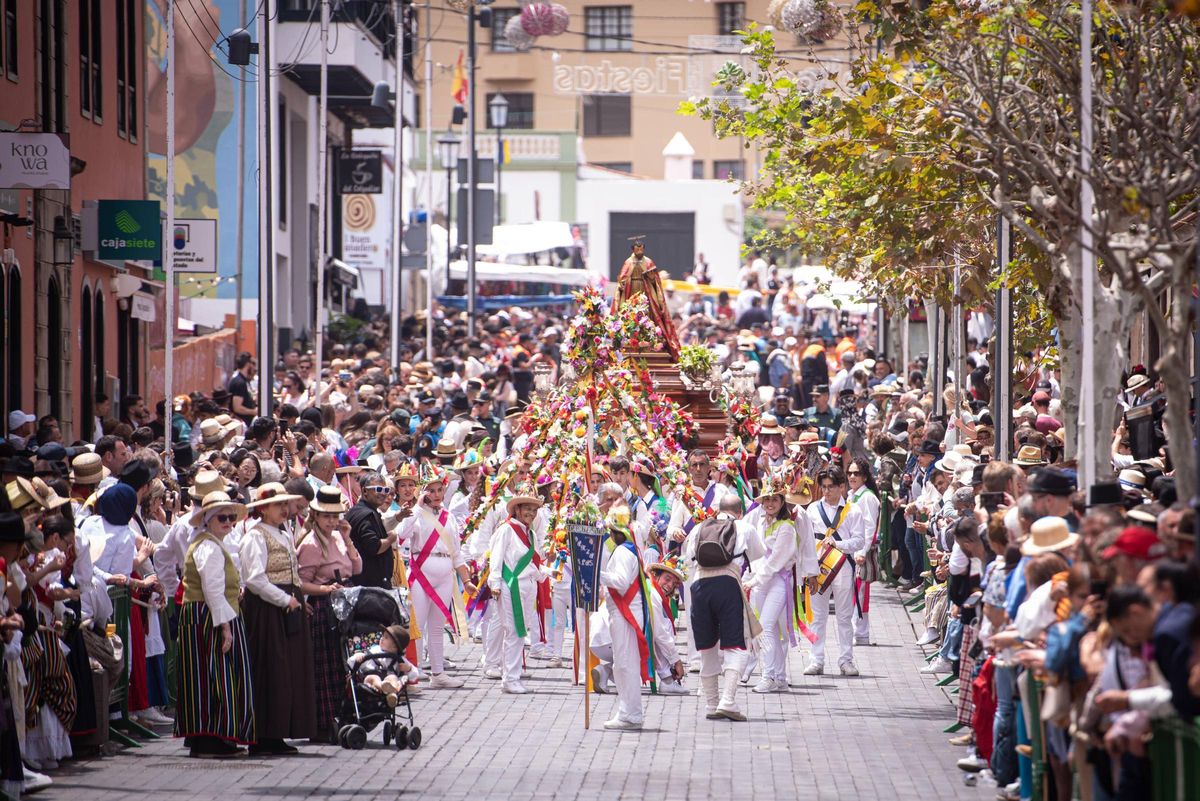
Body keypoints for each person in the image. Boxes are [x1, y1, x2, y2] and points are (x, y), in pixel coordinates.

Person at [175, 491, 255, 759]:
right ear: (208, 519)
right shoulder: (208, 547)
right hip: (207, 617)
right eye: (223, 517)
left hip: (205, 614)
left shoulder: (209, 543)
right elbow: (212, 590)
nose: (229, 522)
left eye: (232, 517)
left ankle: (212, 737)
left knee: (207, 677)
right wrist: (225, 628)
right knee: (213, 677)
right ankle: (210, 738)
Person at [239, 483, 315, 754]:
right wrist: (285, 600)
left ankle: (279, 732)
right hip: (267, 609)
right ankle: (264, 736)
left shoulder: (283, 533)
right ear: (262, 508)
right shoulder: (255, 536)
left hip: (286, 605)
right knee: (271, 669)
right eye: (277, 505)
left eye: (286, 504)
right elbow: (255, 579)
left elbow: (291, 573)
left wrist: (297, 601)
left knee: (287, 670)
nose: (284, 509)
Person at [396, 467, 475, 689]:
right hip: (422, 571)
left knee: (438, 626)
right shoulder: (415, 514)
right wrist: (418, 508)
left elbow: (457, 552)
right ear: (423, 492)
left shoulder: (449, 518)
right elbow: (401, 535)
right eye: (431, 490)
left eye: (440, 489)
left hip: (445, 573)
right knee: (418, 624)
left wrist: (467, 581)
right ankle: (415, 669)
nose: (437, 494)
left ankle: (438, 672)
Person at [685, 494, 760, 721]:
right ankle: (728, 700)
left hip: (698, 587)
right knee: (735, 644)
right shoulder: (744, 526)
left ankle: (711, 704)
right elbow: (759, 553)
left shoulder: (699, 527)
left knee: (707, 647)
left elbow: (688, 559)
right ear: (740, 512)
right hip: (727, 585)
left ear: (718, 509)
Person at [296, 485, 361, 743]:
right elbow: (300, 582)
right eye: (327, 516)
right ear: (316, 516)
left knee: (345, 661)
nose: (332, 521)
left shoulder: (337, 538)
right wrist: (324, 588)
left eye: (335, 516)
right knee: (327, 665)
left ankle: (347, 713)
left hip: (344, 602)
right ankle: (324, 721)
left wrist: (347, 538)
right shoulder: (311, 544)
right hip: (324, 605)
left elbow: (356, 567)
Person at [746, 472, 815, 693]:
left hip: (778, 581)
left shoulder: (786, 526)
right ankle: (779, 677)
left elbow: (775, 562)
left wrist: (754, 580)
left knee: (765, 627)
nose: (770, 503)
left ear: (782, 501)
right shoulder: (760, 521)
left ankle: (768, 675)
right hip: (762, 582)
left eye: (775, 499)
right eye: (767, 499)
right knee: (771, 630)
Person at [805, 465, 865, 676]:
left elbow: (859, 540)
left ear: (842, 487)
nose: (827, 491)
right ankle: (816, 660)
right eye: (824, 487)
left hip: (842, 567)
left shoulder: (853, 510)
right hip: (818, 566)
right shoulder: (812, 509)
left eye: (831, 487)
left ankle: (846, 661)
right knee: (817, 616)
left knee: (844, 616)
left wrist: (838, 545)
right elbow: (806, 540)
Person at [487, 486, 546, 694]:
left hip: (527, 586)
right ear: (518, 509)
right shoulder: (506, 529)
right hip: (511, 585)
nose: (531, 513)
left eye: (534, 509)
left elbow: (533, 564)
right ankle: (510, 678)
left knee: (521, 632)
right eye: (527, 508)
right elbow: (496, 557)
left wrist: (547, 573)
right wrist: (494, 583)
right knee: (514, 631)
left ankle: (513, 675)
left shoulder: (530, 533)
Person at [598, 505, 651, 730]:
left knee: (624, 664)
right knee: (622, 663)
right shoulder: (628, 550)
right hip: (622, 612)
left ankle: (630, 713)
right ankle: (628, 711)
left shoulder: (622, 551)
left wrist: (595, 575)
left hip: (625, 612)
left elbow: (619, 582)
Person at [614, 237, 681, 360]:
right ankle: (632, 339)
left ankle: (650, 339)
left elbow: (655, 282)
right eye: (637, 249)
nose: (639, 251)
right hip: (631, 291)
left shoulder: (649, 262)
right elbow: (622, 279)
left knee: (648, 314)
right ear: (632, 249)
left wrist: (651, 278)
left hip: (646, 292)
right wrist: (622, 283)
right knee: (631, 315)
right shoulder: (628, 262)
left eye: (641, 249)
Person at [846, 457, 881, 646]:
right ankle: (858, 632)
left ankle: (860, 633)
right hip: (850, 550)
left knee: (859, 594)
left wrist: (862, 552)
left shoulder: (867, 497)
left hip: (859, 552)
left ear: (865, 477)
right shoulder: (852, 495)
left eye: (856, 473)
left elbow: (869, 528)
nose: (852, 476)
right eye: (850, 473)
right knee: (854, 592)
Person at [346, 471, 397, 588]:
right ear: (364, 491)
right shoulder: (365, 514)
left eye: (386, 490)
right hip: (369, 586)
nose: (383, 494)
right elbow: (374, 547)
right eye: (378, 489)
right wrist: (390, 539)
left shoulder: (360, 510)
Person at [346, 624, 420, 704]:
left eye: (386, 637)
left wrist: (408, 668)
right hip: (371, 681)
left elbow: (415, 675)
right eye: (382, 636)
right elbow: (350, 663)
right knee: (374, 678)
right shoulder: (373, 651)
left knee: (392, 678)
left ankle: (391, 692)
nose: (381, 638)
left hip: (389, 680)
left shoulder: (399, 659)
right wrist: (358, 657)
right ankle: (386, 690)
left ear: (395, 646)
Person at [227, 352, 259, 425]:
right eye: (252, 364)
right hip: (241, 424)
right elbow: (237, 407)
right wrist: (254, 411)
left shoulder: (244, 381)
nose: (253, 367)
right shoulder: (239, 382)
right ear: (248, 364)